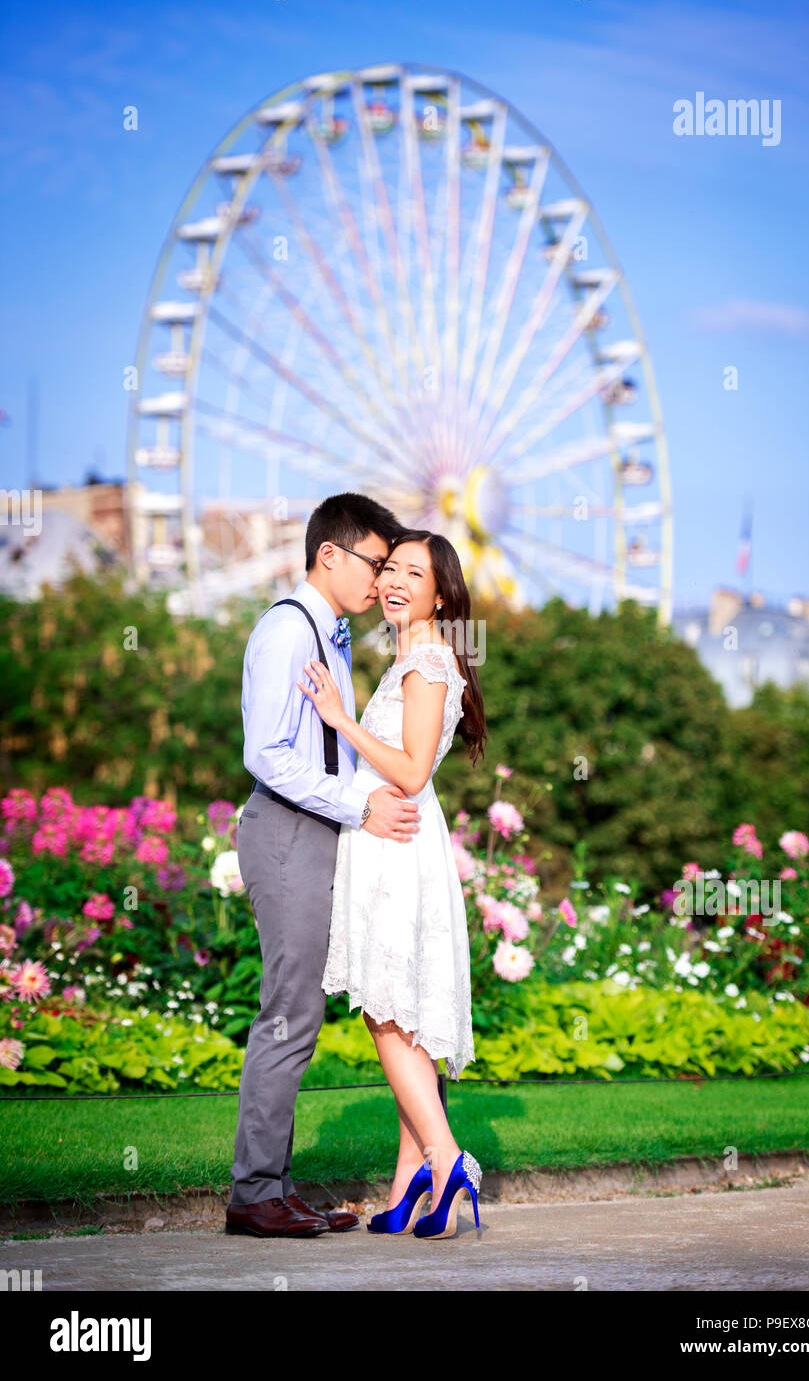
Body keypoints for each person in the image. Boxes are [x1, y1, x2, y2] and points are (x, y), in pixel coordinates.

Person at [225, 492, 421, 1239]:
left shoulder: (330, 635)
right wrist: (357, 805)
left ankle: (270, 1185)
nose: (382, 579)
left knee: (303, 1010)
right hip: (288, 831)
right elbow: (266, 754)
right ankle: (253, 1194)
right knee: (291, 1011)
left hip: (320, 828)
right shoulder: (287, 631)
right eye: (375, 562)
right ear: (329, 555)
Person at [298, 528, 488, 1239]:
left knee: (387, 1011)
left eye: (416, 572)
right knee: (401, 1009)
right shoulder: (411, 655)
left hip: (397, 841)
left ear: (443, 592)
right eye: (391, 569)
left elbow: (410, 772)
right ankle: (409, 1183)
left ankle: (446, 1159)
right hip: (391, 839)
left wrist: (339, 719)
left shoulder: (429, 661)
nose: (396, 581)